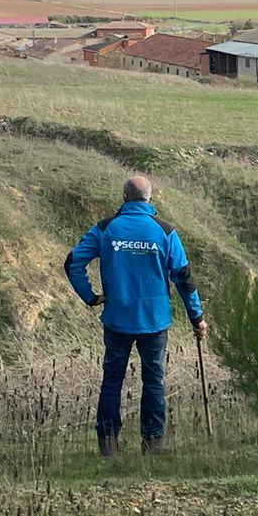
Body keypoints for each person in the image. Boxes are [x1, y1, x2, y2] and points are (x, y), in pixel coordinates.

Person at [65, 173, 207, 455]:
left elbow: (72, 263)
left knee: (112, 380)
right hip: (154, 321)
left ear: (124, 198)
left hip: (117, 318)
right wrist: (196, 317)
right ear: (150, 199)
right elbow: (184, 277)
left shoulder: (106, 229)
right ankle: (152, 442)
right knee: (153, 380)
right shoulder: (165, 231)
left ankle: (108, 443)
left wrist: (91, 297)